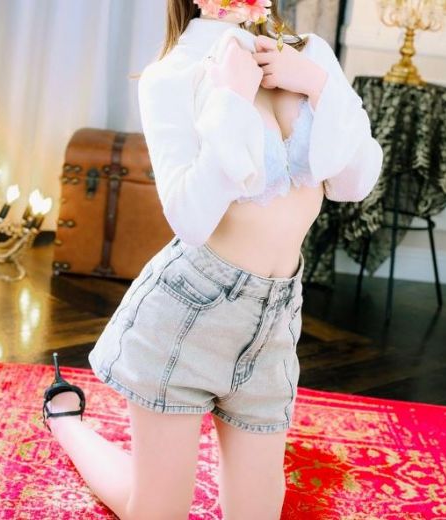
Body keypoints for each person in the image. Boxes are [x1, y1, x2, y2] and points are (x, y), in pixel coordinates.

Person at [41, 1, 383, 519]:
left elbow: (353, 184)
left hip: (275, 321)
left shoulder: (310, 55)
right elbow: (191, 219)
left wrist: (319, 86)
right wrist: (230, 99)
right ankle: (67, 423)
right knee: (154, 512)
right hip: (188, 313)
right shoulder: (172, 74)